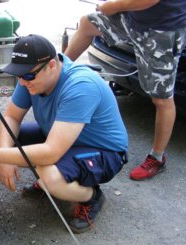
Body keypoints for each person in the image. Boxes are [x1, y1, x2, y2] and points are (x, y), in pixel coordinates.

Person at [0, 34, 128, 234]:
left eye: (28, 76)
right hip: (61, 137)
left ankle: (90, 195)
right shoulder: (30, 77)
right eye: (18, 75)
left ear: (52, 65)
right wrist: (3, 158)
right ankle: (60, 178)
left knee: (49, 177)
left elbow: (51, 152)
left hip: (104, 151)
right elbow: (11, 118)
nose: (22, 82)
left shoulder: (81, 87)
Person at [64, 0, 186, 181]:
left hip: (162, 29)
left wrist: (114, 6)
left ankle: (157, 157)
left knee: (162, 99)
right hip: (134, 18)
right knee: (88, 23)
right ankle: (57, 73)